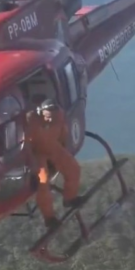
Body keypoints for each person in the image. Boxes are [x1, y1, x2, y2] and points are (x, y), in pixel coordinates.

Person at [25, 97, 83, 228]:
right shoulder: (31, 121)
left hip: (53, 147)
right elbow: (25, 144)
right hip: (37, 154)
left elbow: (63, 133)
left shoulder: (59, 116)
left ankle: (70, 198)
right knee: (43, 182)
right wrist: (31, 163)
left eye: (52, 117)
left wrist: (64, 150)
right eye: (47, 117)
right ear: (40, 112)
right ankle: (49, 218)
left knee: (73, 169)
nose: (50, 120)